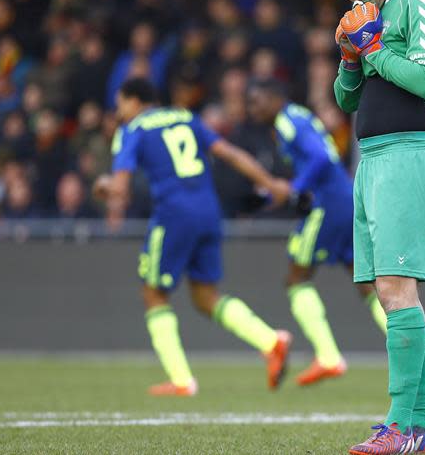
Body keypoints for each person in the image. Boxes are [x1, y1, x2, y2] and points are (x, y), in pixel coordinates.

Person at [321, 0, 425, 454]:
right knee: (389, 291)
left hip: (408, 154)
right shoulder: (360, 12)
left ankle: (399, 426)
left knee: (398, 290)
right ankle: (419, 430)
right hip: (373, 162)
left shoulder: (420, 3)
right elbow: (345, 100)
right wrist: (350, 58)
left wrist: (371, 47)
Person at [93, 77, 293, 396]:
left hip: (173, 215)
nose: (119, 112)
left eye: (120, 105)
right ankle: (271, 341)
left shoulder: (134, 130)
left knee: (154, 294)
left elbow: (119, 189)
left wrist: (101, 185)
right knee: (205, 296)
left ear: (133, 101)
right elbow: (229, 153)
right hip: (208, 212)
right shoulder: (186, 116)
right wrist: (270, 183)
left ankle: (181, 379)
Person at [247, 80, 387, 386]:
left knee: (297, 277)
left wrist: (296, 189)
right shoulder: (298, 115)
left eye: (256, 101)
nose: (252, 109)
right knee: (365, 281)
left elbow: (321, 158)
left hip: (327, 205)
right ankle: (407, 345)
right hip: (345, 198)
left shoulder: (286, 120)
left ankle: (328, 356)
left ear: (273, 98)